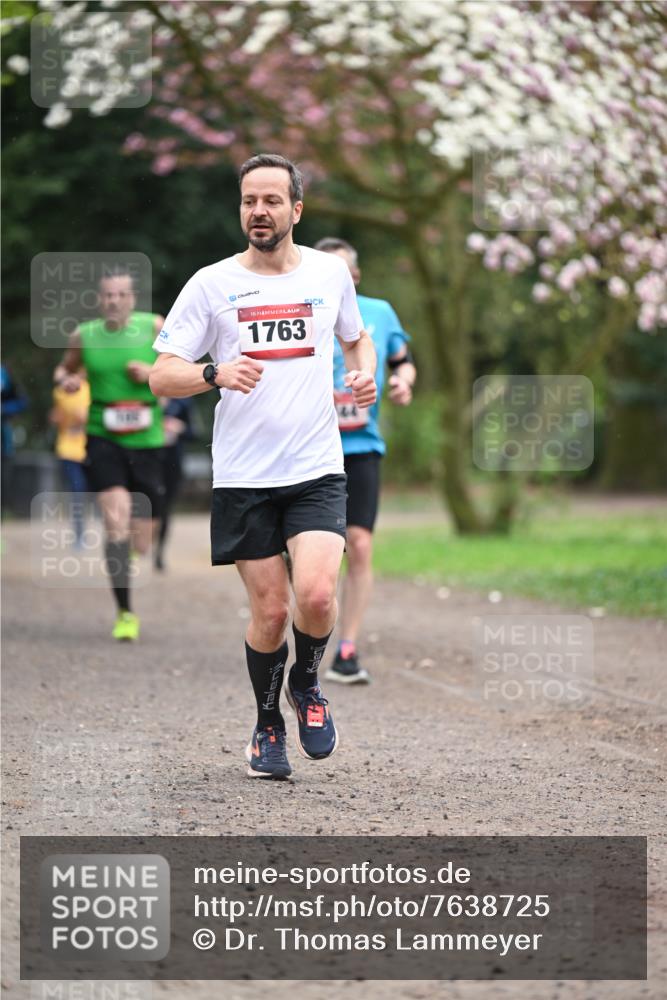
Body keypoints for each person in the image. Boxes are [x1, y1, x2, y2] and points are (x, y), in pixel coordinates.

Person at [149, 153, 377, 780]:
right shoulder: (211, 284)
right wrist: (212, 373)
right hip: (245, 477)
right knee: (272, 613)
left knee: (318, 593)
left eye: (272, 200)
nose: (259, 211)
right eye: (250, 200)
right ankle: (266, 725)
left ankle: (306, 685)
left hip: (316, 466)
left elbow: (355, 335)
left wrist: (365, 372)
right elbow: (160, 373)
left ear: (296, 210)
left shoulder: (330, 275)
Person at [314, 238, 417, 685]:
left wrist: (402, 382)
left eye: (340, 272)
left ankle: (348, 648)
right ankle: (306, 636)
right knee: (314, 553)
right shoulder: (301, 309)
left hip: (360, 448)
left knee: (358, 543)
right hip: (308, 450)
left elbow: (403, 360)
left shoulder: (380, 312)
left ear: (354, 277)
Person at [55, 270, 165, 641]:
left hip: (148, 438)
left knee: (143, 539)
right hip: (103, 436)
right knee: (115, 521)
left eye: (121, 295)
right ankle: (125, 612)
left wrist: (152, 372)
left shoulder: (153, 327)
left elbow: (179, 369)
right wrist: (65, 381)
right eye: (107, 296)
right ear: (99, 300)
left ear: (133, 298)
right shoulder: (83, 335)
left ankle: (131, 550)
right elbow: (64, 369)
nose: (114, 301)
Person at [154, 395, 195, 572]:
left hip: (172, 463)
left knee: (165, 508)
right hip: (147, 460)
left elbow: (194, 433)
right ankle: (138, 544)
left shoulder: (183, 402)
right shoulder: (141, 397)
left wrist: (180, 428)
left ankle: (159, 553)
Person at [50, 368, 91, 547]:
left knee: (97, 494)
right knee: (77, 493)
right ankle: (79, 535)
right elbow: (79, 415)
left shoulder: (90, 388)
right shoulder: (60, 392)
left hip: (90, 449)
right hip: (68, 451)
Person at [1, 364, 28, 514]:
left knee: (3, 483)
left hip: (3, 444)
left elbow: (22, 401)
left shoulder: (4, 374)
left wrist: (4, 410)